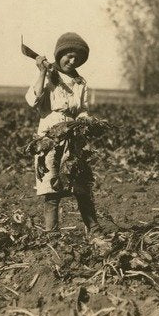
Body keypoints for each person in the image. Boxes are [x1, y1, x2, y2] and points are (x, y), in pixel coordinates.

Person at [25, 32, 102, 237]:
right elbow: (33, 101)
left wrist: (86, 119)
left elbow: (82, 108)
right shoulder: (49, 77)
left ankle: (93, 228)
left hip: (75, 137)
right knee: (52, 186)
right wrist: (41, 72)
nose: (72, 60)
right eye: (68, 55)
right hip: (50, 138)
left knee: (81, 184)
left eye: (77, 58)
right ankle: (52, 233)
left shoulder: (80, 81)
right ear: (59, 55)